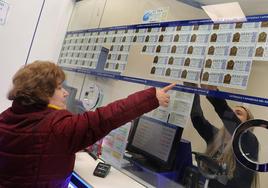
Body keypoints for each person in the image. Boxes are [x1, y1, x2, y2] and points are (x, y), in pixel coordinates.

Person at [0, 60, 176, 187]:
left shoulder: (5, 118)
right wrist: (151, 98)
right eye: (60, 88)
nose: (66, 93)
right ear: (44, 93)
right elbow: (105, 118)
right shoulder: (58, 127)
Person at [190, 84, 259, 188]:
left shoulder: (250, 141)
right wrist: (193, 89)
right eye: (233, 112)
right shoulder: (218, 137)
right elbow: (197, 118)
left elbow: (230, 119)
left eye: (238, 113)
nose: (233, 115)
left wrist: (213, 91)